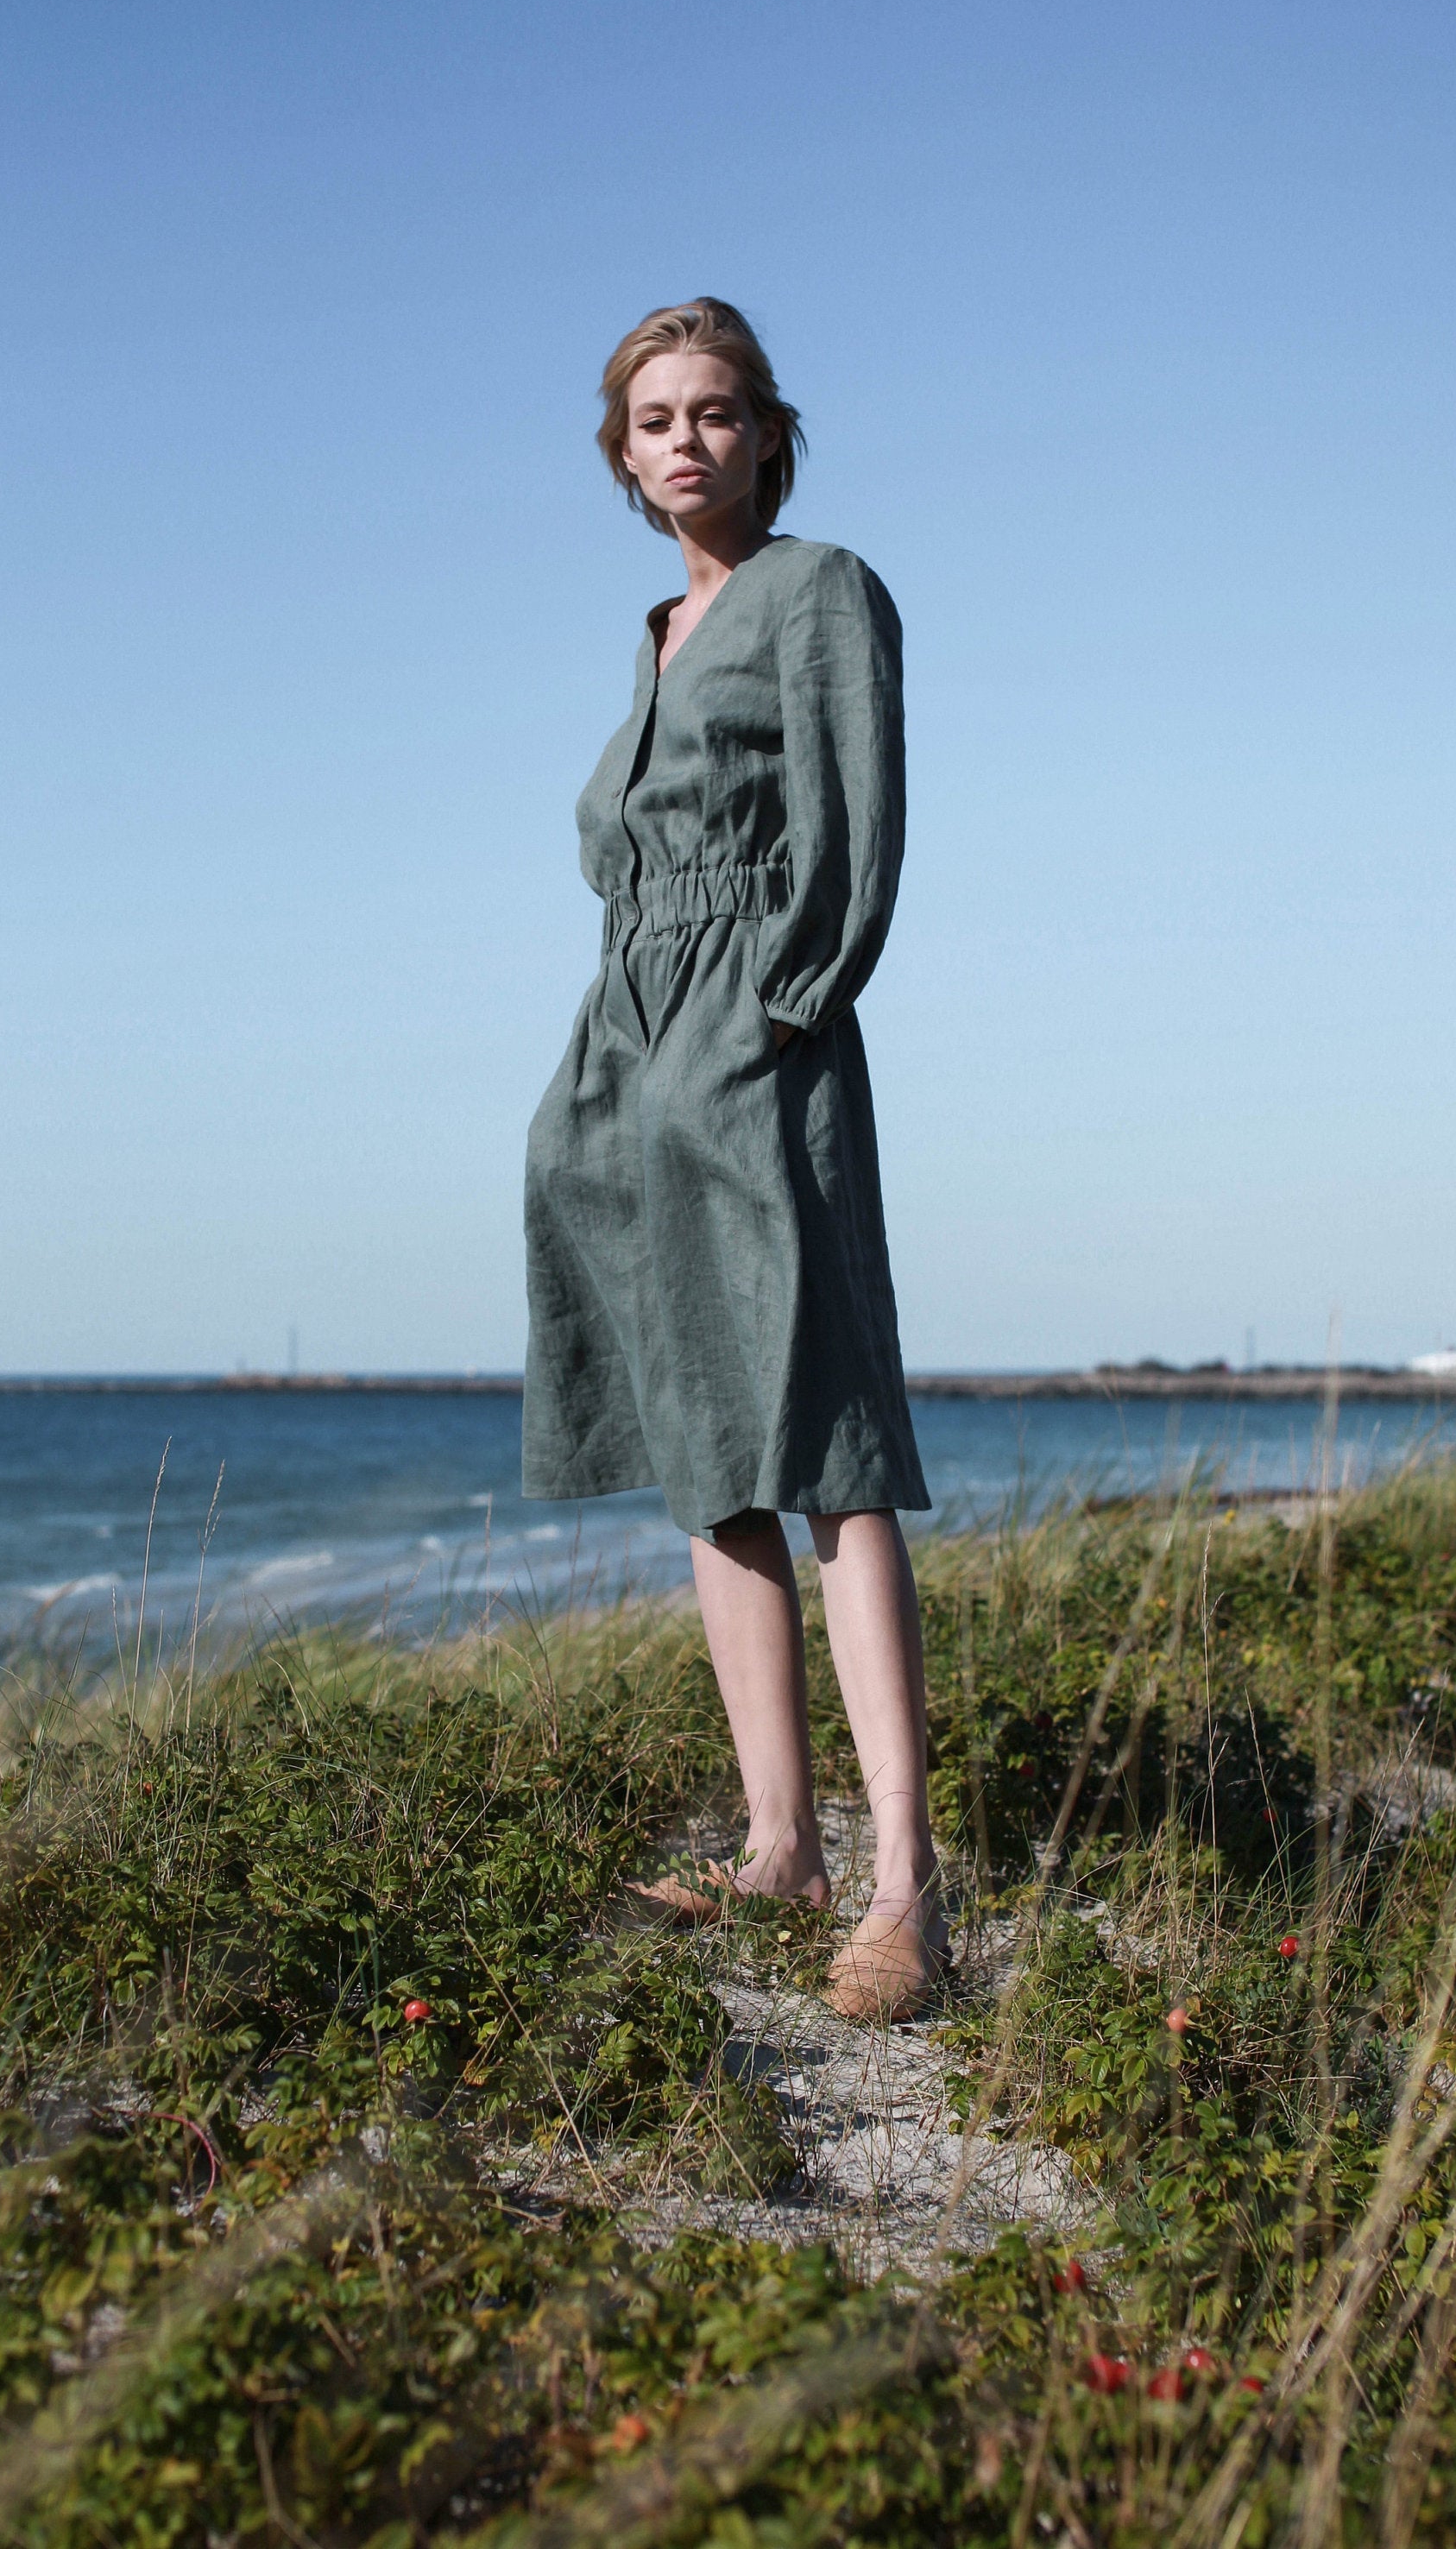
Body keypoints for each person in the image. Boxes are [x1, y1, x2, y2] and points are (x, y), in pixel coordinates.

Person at [522, 298, 945, 2020]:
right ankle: (779, 1844)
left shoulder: (819, 591)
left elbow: (853, 833)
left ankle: (906, 1887)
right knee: (708, 1452)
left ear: (771, 431)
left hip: (750, 1048)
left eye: (715, 412)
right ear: (621, 459)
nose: (684, 441)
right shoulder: (656, 633)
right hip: (624, 1061)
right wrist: (610, 1085)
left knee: (825, 1441)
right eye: (653, 421)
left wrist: (769, 1020)